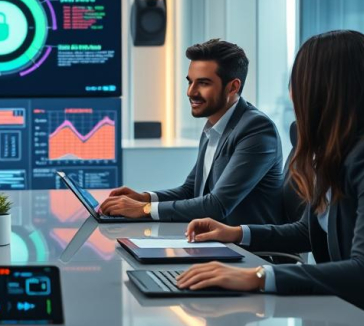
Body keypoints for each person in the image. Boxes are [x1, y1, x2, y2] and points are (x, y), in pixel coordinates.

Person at [177, 30, 364, 326]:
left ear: (324, 90)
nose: (292, 94)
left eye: (298, 84)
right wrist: (235, 233)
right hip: (352, 318)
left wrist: (256, 276)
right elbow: (307, 232)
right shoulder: (341, 150)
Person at [99, 39, 284, 225]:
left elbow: (217, 205)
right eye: (190, 82)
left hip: (247, 251)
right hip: (213, 243)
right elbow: (190, 190)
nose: (191, 92)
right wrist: (145, 198)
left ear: (233, 87)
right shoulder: (213, 126)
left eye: (203, 83)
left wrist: (143, 210)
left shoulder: (257, 129)